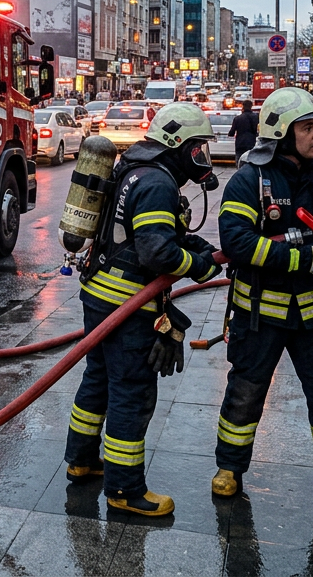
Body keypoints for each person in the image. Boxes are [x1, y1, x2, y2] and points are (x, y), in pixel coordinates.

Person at [212, 87, 313, 510]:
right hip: (259, 316)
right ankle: (229, 468)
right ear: (281, 134)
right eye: (307, 127)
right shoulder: (249, 180)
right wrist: (303, 258)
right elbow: (236, 242)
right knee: (245, 393)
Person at [64, 102, 222, 517]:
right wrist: (199, 264)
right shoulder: (158, 184)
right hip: (126, 306)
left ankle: (81, 460)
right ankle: (125, 489)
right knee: (132, 393)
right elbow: (157, 254)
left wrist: (194, 245)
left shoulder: (134, 169)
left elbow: (138, 235)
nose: (202, 159)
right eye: (198, 149)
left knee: (97, 380)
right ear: (177, 145)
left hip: (99, 294)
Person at [229, 99, 258, 164]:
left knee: (240, 161)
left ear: (243, 106)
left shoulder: (238, 118)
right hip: (252, 143)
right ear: (251, 106)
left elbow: (231, 133)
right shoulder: (256, 117)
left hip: (240, 144)